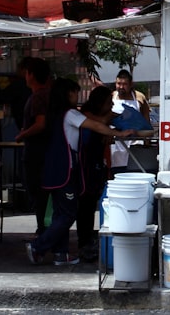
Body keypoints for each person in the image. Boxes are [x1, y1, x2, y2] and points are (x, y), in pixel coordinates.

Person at [26, 78, 135, 266]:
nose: (77, 96)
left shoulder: (54, 114)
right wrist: (120, 134)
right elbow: (96, 125)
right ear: (68, 94)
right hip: (64, 171)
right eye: (76, 92)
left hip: (52, 170)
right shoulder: (70, 114)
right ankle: (38, 246)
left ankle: (61, 254)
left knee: (61, 214)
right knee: (68, 214)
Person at [75, 85, 116, 261]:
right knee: (85, 206)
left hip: (96, 164)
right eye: (109, 102)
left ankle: (88, 241)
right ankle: (84, 243)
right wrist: (112, 117)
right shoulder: (85, 113)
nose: (112, 105)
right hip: (85, 166)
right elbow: (99, 123)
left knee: (91, 204)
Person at [14, 57, 52, 236]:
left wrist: (22, 134)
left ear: (32, 75)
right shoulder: (48, 94)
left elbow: (40, 123)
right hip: (45, 151)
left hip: (37, 152)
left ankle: (42, 230)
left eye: (27, 72)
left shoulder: (38, 97)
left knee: (38, 192)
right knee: (42, 192)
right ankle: (44, 228)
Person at [109, 69, 152, 175]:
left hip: (135, 143)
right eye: (119, 83)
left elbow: (146, 122)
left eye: (124, 84)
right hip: (116, 145)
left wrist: (147, 143)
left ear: (131, 84)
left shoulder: (139, 98)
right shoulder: (111, 97)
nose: (121, 87)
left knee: (134, 172)